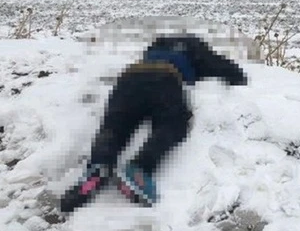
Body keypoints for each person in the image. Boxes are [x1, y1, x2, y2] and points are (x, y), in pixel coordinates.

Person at [59, 34, 248, 214]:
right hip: (165, 78)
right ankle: (140, 167)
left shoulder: (157, 46)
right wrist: (235, 75)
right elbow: (228, 70)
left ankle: (98, 165)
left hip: (128, 79)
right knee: (174, 123)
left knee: (115, 126)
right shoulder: (195, 48)